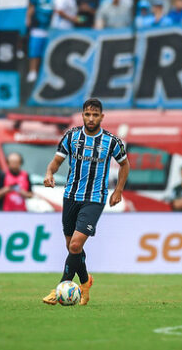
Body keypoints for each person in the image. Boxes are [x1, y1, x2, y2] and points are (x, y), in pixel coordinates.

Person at [41, 98, 130, 306]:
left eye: (95, 115)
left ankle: (60, 288)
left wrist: (118, 190)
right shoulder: (71, 137)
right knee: (71, 247)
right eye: (87, 114)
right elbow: (55, 162)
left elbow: (125, 166)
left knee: (75, 245)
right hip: (71, 196)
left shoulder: (112, 141)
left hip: (94, 199)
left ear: (102, 117)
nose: (91, 118)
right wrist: (49, 173)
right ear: (82, 115)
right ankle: (85, 281)